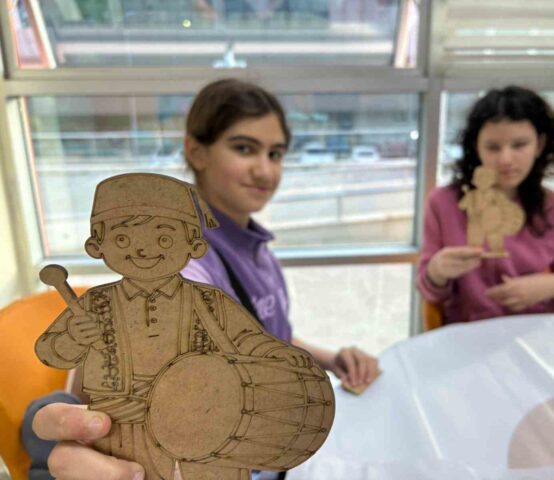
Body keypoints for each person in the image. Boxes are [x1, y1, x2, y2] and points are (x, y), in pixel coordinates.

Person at [25, 78, 379, 480]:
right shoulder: (189, 270)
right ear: (196, 151)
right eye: (244, 148)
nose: (264, 169)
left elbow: (260, 334)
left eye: (275, 153)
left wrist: (329, 359)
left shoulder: (251, 245)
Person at [417, 85, 554, 325]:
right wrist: (436, 271)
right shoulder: (444, 203)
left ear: (539, 145)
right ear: (476, 147)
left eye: (519, 145)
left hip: (539, 333)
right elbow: (430, 293)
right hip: (469, 335)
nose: (505, 160)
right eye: (493, 147)